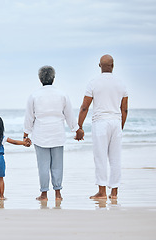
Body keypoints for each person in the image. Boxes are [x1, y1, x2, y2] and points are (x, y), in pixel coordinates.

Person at [23, 66, 84, 201]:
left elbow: (29, 117)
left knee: (43, 166)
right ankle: (58, 194)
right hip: (57, 134)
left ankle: (44, 194)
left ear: (40, 79)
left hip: (40, 135)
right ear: (53, 79)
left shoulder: (34, 96)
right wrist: (76, 129)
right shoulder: (62, 95)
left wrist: (25, 134)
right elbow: (69, 115)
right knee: (57, 165)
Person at [78, 54, 128, 200]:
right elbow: (124, 109)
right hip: (115, 122)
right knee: (115, 158)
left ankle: (102, 192)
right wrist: (120, 126)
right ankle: (114, 192)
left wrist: (79, 126)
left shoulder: (93, 82)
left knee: (100, 157)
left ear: (99, 66)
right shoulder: (121, 83)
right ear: (113, 66)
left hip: (100, 123)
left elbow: (84, 107)